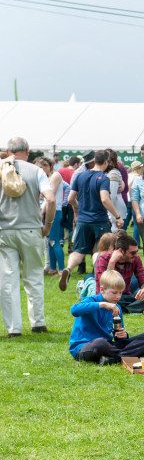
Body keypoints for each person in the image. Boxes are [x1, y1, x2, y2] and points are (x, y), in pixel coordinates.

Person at [0, 137, 55, 336]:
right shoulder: (37, 170)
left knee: (8, 280)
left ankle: (14, 328)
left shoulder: (1, 168)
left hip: (4, 230)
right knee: (33, 277)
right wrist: (47, 225)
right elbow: (50, 198)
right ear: (28, 150)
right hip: (31, 229)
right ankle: (38, 322)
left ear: (8, 151)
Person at [60, 150, 123, 292]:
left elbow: (70, 199)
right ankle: (98, 276)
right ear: (106, 162)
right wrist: (118, 216)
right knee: (99, 250)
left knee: (78, 251)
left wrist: (77, 209)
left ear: (94, 160)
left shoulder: (80, 176)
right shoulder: (104, 178)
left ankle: (68, 268)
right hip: (100, 220)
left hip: (83, 220)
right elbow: (105, 199)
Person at [69, 270, 144, 364]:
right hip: (84, 346)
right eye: (114, 292)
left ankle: (114, 359)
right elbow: (74, 310)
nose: (118, 296)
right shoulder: (91, 300)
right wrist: (103, 305)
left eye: (120, 293)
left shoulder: (117, 308)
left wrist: (123, 335)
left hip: (108, 345)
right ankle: (131, 354)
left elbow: (118, 338)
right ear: (102, 290)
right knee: (100, 343)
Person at [94, 233, 144, 314]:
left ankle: (125, 309)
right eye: (133, 253)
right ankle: (129, 308)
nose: (136, 255)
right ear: (121, 251)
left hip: (125, 296)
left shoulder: (135, 259)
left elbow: (143, 279)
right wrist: (112, 262)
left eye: (137, 252)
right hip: (108, 296)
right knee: (108, 299)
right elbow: (104, 284)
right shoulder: (104, 258)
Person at [35, 157, 66, 276]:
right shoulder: (48, 177)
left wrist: (42, 211)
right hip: (49, 210)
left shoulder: (55, 176)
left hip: (54, 211)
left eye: (43, 166)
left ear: (49, 166)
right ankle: (52, 268)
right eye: (39, 167)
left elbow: (50, 196)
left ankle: (62, 269)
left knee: (54, 241)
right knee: (49, 241)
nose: (41, 169)